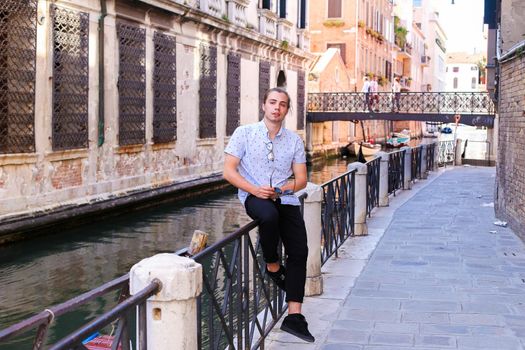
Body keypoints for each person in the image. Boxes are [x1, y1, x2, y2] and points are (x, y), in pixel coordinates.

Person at [223, 87, 315, 343]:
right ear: (264, 105)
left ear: (286, 110)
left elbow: (302, 180)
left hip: (283, 197)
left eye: (282, 104)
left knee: (300, 251)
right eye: (272, 102)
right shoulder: (244, 133)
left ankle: (294, 317)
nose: (277, 107)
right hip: (253, 195)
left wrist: (283, 189)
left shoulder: (294, 140)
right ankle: (273, 266)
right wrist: (255, 189)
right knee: (269, 217)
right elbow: (229, 172)